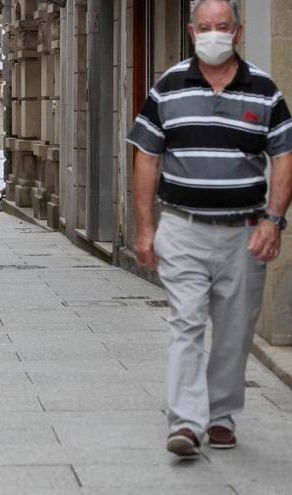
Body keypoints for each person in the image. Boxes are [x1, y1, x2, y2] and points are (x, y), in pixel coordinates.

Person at [128, 0, 292, 459]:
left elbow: (284, 156)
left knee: (235, 329)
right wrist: (146, 228)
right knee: (185, 321)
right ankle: (185, 422)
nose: (213, 34)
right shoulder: (168, 87)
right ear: (191, 31)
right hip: (183, 227)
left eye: (222, 26)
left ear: (237, 32)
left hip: (245, 232)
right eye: (205, 27)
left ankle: (220, 416)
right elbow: (146, 157)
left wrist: (274, 221)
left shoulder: (264, 91)